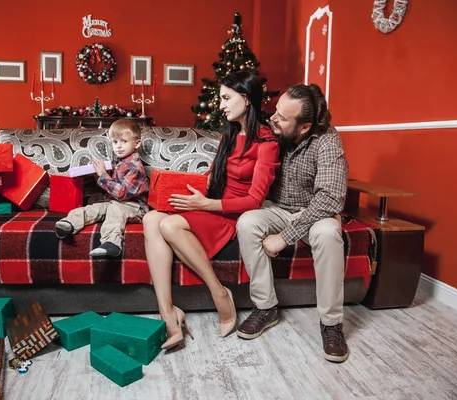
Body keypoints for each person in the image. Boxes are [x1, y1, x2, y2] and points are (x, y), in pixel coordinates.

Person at [143, 70, 280, 350]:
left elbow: (255, 200)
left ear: (246, 98)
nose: (221, 105)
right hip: (213, 205)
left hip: (234, 214)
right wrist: (190, 187)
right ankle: (169, 313)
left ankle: (220, 294)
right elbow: (217, 175)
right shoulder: (229, 134)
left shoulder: (268, 143)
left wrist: (206, 204)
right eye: (221, 98)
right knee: (150, 218)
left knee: (168, 225)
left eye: (227, 98)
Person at [235, 84, 350, 362]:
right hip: (274, 208)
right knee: (248, 222)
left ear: (304, 126)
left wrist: (285, 237)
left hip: (312, 213)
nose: (273, 118)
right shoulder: (271, 132)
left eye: (282, 117)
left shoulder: (327, 141)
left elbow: (331, 198)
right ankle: (266, 308)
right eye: (276, 110)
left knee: (328, 232)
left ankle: (331, 324)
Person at [55, 119, 148, 257]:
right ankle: (69, 223)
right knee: (95, 208)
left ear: (137, 143)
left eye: (124, 141)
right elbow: (114, 187)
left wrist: (103, 175)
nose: (118, 146)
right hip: (115, 203)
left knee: (115, 211)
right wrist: (97, 176)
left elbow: (121, 193)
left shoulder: (134, 167)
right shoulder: (119, 162)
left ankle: (112, 243)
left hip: (134, 207)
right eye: (115, 142)